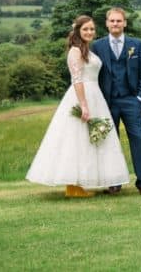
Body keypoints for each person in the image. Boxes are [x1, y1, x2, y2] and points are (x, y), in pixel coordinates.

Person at [26, 15, 129, 197]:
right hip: (82, 96)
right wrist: (84, 105)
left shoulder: (87, 50)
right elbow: (77, 79)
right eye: (85, 29)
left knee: (88, 141)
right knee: (75, 140)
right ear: (77, 31)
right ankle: (72, 186)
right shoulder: (75, 51)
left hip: (95, 95)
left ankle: (79, 184)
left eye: (91, 29)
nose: (89, 32)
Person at [92, 7, 141, 195]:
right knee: (111, 143)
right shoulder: (97, 46)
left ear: (124, 23)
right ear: (107, 23)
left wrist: (140, 98)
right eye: (112, 21)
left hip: (131, 100)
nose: (115, 24)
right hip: (107, 102)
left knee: (138, 139)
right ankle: (114, 182)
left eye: (119, 21)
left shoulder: (137, 45)